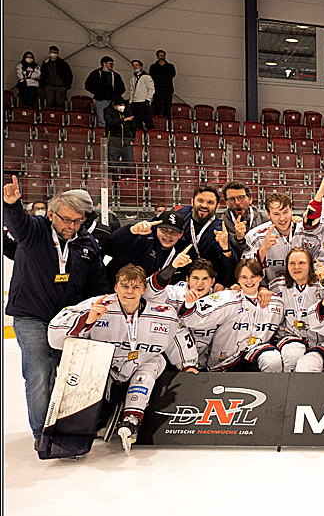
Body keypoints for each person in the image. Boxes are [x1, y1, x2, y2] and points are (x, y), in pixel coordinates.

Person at [47, 264, 199, 454]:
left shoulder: (163, 313)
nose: (130, 291)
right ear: (116, 287)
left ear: (143, 290)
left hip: (141, 362)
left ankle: (132, 419)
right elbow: (55, 337)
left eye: (136, 287)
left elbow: (177, 334)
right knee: (87, 360)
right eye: (125, 286)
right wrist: (88, 319)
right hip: (105, 364)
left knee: (153, 363)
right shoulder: (98, 304)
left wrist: (188, 364)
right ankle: (73, 424)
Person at [3, 179, 110, 446]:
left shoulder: (86, 243)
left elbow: (96, 283)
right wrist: (12, 204)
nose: (71, 226)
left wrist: (100, 307)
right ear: (51, 215)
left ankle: (67, 425)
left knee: (70, 374)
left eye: (77, 221)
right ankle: (43, 434)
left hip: (67, 319)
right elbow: (17, 223)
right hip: (32, 315)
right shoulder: (35, 231)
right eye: (66, 220)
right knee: (40, 373)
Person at [180, 259, 285, 371]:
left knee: (272, 359)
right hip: (225, 363)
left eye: (253, 276)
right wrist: (189, 303)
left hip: (255, 353)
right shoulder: (225, 298)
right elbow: (190, 319)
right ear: (238, 279)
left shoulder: (276, 302)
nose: (249, 281)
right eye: (244, 277)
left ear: (260, 277)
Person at [269, 247, 324, 372]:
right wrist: (262, 290)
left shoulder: (322, 285)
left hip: (320, 340)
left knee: (309, 365)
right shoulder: (277, 286)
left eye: (301, 263)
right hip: (290, 337)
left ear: (310, 265)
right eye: (292, 263)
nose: (296, 267)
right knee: (293, 354)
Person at [244, 192, 320, 283]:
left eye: (285, 212)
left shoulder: (307, 232)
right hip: (269, 290)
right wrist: (263, 248)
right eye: (276, 214)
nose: (282, 218)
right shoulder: (254, 236)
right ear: (268, 215)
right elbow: (246, 271)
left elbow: (321, 261)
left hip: (306, 287)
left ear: (291, 211)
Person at [175, 184, 238, 287]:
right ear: (192, 201)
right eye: (200, 201)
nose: (204, 205)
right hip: (179, 278)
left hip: (208, 282)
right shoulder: (180, 215)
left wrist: (226, 248)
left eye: (210, 202)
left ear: (217, 206)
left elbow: (229, 266)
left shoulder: (219, 229)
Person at [106, 209, 186, 284]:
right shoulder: (143, 237)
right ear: (157, 228)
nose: (168, 235)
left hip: (157, 292)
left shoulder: (183, 249)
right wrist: (131, 231)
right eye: (164, 230)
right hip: (123, 288)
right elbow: (115, 242)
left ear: (181, 234)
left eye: (174, 232)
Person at [222, 181, 269, 252]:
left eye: (241, 197)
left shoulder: (265, 218)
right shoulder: (222, 224)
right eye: (231, 199)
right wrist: (238, 239)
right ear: (226, 203)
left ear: (250, 199)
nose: (237, 202)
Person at [84, 56, 125, 127]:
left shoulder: (115, 75)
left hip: (112, 101)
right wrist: (97, 93)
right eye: (110, 64)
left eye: (112, 64)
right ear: (104, 64)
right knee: (101, 119)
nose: (112, 65)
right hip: (100, 100)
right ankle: (102, 131)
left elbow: (122, 88)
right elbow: (87, 85)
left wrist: (115, 96)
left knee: (112, 118)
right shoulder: (95, 73)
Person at [103, 96, 136, 180]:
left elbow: (133, 127)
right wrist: (123, 120)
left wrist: (132, 139)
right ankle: (114, 183)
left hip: (127, 143)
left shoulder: (127, 112)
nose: (122, 106)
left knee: (130, 166)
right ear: (115, 105)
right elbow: (109, 122)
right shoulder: (108, 111)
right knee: (113, 166)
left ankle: (130, 183)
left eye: (123, 105)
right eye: (120, 105)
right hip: (113, 143)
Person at [125, 59, 155, 130]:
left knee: (147, 121)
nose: (135, 67)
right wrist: (131, 101)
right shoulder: (133, 79)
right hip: (135, 102)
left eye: (137, 65)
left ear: (141, 67)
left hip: (143, 102)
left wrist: (148, 99)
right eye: (133, 65)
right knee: (137, 122)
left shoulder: (147, 77)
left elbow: (151, 89)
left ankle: (150, 134)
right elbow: (132, 90)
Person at [148, 50, 175, 119]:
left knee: (167, 108)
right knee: (157, 108)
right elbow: (151, 77)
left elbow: (172, 74)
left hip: (167, 90)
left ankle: (167, 123)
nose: (162, 57)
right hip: (157, 90)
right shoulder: (153, 67)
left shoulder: (170, 66)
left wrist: (164, 66)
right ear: (157, 57)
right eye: (160, 56)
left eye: (163, 56)